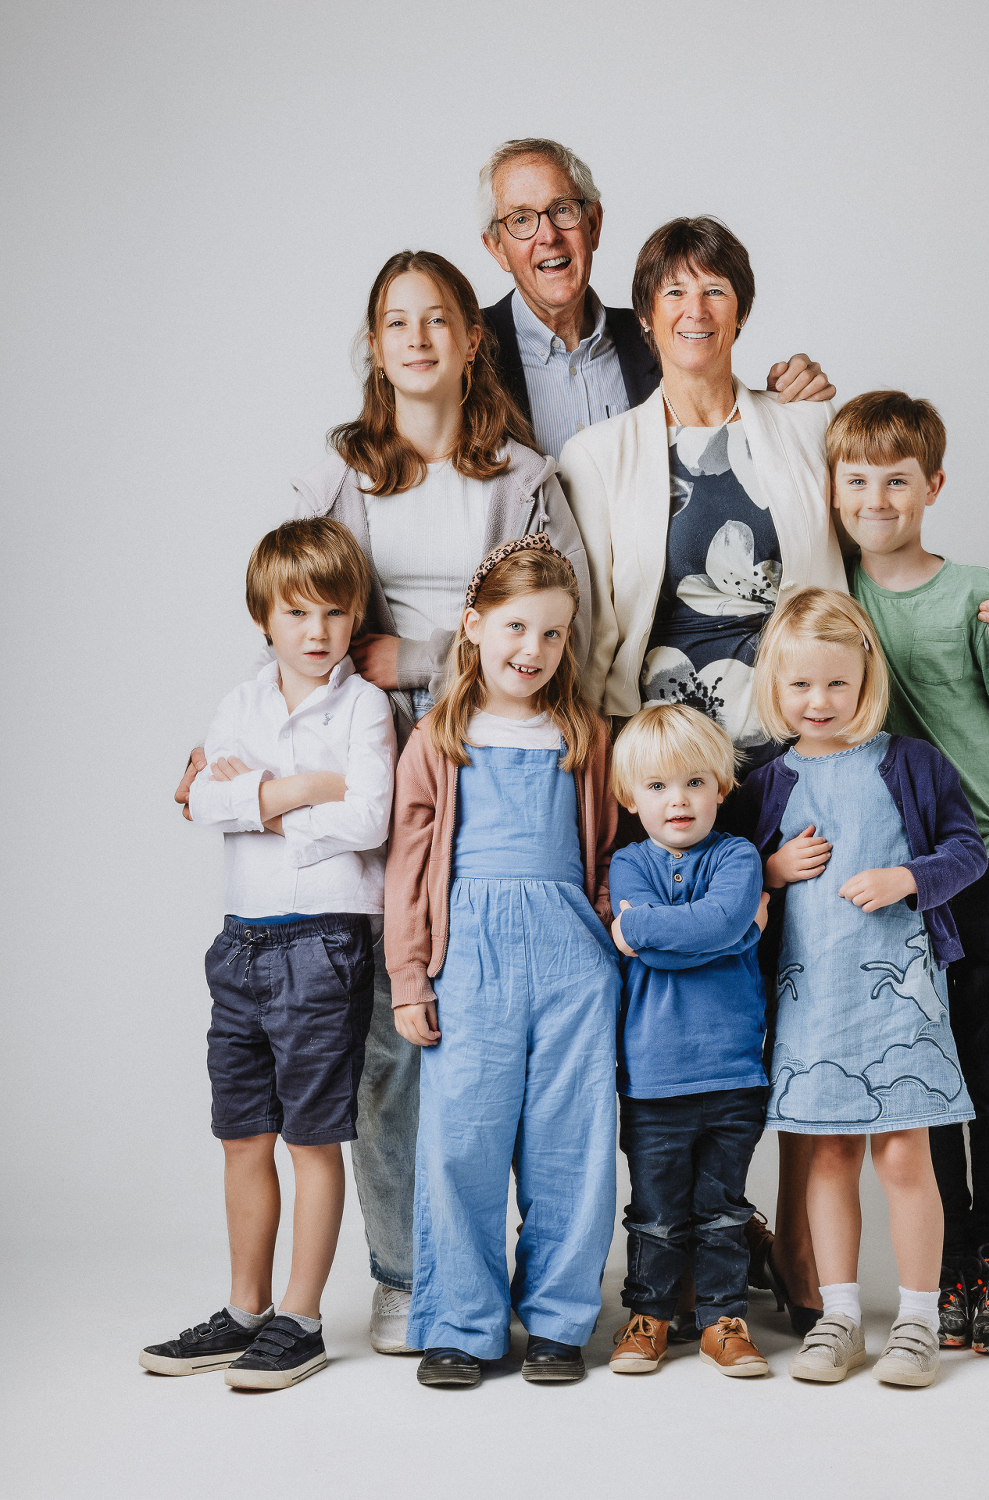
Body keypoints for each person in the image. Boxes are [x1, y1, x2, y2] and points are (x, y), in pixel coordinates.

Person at [558, 214, 989, 1337]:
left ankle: (802, 1283)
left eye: (715, 290)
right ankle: (686, 1260)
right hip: (675, 782)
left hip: (799, 770)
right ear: (646, 314)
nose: (694, 310)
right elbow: (587, 636)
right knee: (693, 1023)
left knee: (808, 1017)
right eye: (672, 292)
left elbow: (885, 536)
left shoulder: (800, 420)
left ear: (741, 308)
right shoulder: (598, 456)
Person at [174, 250, 587, 1358]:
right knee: (391, 1036)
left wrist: (414, 655)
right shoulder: (339, 473)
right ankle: (408, 1274)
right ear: (374, 344)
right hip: (371, 760)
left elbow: (559, 623)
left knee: (503, 1023)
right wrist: (236, 753)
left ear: (469, 339)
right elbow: (295, 608)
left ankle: (523, 1275)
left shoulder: (521, 474)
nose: (416, 338)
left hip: (492, 758)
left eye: (439, 318)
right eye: (396, 321)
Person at [831, 391, 989, 1355]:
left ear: (932, 485)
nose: (877, 498)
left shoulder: (976, 589)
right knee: (929, 1076)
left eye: (897, 479)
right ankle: (954, 1259)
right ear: (833, 490)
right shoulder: (831, 589)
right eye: (857, 480)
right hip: (897, 877)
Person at [141, 519, 396, 1389]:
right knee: (242, 1135)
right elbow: (201, 801)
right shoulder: (240, 703)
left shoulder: (363, 706)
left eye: (333, 612)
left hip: (322, 944)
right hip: (240, 943)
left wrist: (254, 801)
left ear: (354, 615)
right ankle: (243, 1311)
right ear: (265, 619)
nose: (317, 631)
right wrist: (299, 792)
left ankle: (300, 1318)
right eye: (297, 613)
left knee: (310, 1138)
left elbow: (370, 818)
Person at [385, 536, 621, 1388]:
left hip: (571, 962)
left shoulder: (583, 735)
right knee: (463, 1142)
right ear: (474, 623)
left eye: (555, 634)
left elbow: (602, 862)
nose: (534, 650)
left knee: (573, 1145)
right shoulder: (437, 739)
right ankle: (462, 1323)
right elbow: (410, 873)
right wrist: (410, 978)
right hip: (469, 960)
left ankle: (558, 1322)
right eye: (518, 627)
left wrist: (614, 940)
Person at [740, 587, 987, 1388]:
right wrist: (771, 869)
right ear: (775, 686)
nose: (818, 702)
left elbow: (968, 849)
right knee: (829, 1156)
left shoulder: (910, 764)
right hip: (813, 1004)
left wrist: (906, 877)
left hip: (898, 1003)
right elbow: (732, 871)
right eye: (800, 685)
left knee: (907, 1157)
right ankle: (839, 1316)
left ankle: (916, 1318)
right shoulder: (766, 782)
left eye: (836, 684)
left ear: (865, 679)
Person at [477, 138, 837, 460]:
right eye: (521, 220)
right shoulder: (465, 353)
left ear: (594, 223)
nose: (548, 236)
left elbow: (718, 425)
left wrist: (782, 404)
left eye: (563, 210)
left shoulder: (663, 333)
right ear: (497, 248)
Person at [606, 705, 772, 1379]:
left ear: (721, 789)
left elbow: (691, 928)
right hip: (652, 1078)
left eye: (695, 782)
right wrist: (738, 934)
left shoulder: (738, 855)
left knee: (723, 1208)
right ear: (629, 797)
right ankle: (649, 1315)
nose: (678, 799)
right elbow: (716, 930)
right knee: (654, 1210)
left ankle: (724, 1319)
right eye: (657, 786)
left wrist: (651, 932)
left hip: (734, 1073)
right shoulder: (627, 862)